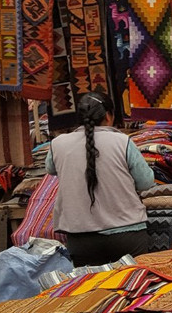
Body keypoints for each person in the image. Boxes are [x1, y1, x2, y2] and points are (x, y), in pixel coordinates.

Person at [46, 91, 155, 266]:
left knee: (91, 284)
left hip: (80, 237)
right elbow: (146, 182)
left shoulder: (57, 144)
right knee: (135, 282)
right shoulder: (122, 141)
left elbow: (50, 169)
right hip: (127, 233)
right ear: (108, 116)